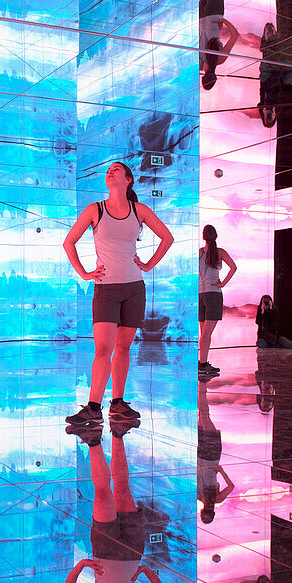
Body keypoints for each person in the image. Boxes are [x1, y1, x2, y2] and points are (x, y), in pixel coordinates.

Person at [62, 161, 174, 426]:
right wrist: (84, 273)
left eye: (116, 170)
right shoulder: (95, 210)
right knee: (103, 349)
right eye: (108, 170)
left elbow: (167, 238)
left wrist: (148, 265)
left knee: (123, 348)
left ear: (128, 179)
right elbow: (69, 242)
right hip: (106, 289)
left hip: (135, 288)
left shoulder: (140, 210)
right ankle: (92, 407)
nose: (110, 172)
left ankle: (118, 404)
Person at [61, 424, 171, 583]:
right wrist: (145, 570)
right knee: (121, 490)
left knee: (102, 494)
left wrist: (80, 566)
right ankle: (119, 432)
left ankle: (93, 440)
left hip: (104, 552)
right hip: (133, 553)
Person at [198, 224, 236, 376]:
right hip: (213, 294)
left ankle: (203, 362)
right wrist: (223, 283)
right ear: (216, 236)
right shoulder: (219, 252)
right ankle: (202, 364)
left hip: (200, 294)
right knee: (206, 334)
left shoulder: (199, 253)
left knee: (204, 334)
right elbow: (233, 267)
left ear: (204, 236)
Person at [198, 380, 234, 524]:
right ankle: (201, 386)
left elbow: (231, 487)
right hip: (206, 455)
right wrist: (220, 471)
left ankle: (202, 386)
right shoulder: (204, 497)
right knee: (203, 415)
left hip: (208, 455)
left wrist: (221, 470)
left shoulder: (210, 498)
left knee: (203, 415)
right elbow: (231, 487)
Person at [199, 0, 238, 90]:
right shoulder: (197, 63)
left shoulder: (220, 59)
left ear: (215, 78)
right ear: (202, 78)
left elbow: (235, 35)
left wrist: (224, 21)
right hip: (200, 18)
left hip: (214, 15)